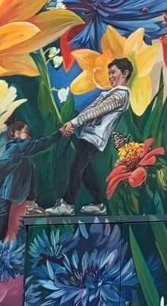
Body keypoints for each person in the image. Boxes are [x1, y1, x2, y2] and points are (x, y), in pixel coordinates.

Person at [40, 57, 133, 216]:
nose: (110, 76)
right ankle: (98, 203)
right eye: (109, 73)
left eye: (113, 73)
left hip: (94, 137)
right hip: (88, 134)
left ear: (125, 73)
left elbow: (97, 111)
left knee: (77, 168)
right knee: (85, 170)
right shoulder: (112, 93)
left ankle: (68, 204)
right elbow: (90, 108)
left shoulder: (120, 95)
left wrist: (74, 123)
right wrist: (74, 123)